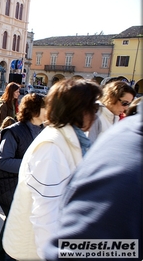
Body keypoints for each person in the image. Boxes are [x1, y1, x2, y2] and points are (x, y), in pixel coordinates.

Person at [2, 78, 102, 260]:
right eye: (94, 108)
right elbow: (45, 214)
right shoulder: (52, 146)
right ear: (78, 110)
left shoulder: (68, 139)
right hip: (32, 252)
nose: (96, 115)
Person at [44, 101, 142, 261]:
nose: (95, 114)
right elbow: (78, 250)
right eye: (93, 108)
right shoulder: (129, 145)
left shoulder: (120, 133)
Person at [0, 93, 46, 261]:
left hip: (26, 188)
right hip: (9, 189)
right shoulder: (14, 131)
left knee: (12, 223)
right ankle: (5, 255)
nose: (50, 111)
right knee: (16, 224)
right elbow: (2, 162)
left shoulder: (45, 130)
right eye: (46, 107)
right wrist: (32, 164)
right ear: (35, 110)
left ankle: (0, 255)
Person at [87, 80, 135, 144]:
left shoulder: (115, 116)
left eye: (129, 104)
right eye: (124, 103)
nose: (126, 108)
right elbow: (88, 147)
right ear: (112, 97)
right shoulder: (96, 115)